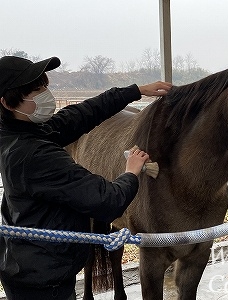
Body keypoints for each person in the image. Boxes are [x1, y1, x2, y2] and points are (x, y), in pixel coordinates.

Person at [0, 55, 172, 300]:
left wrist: (135, 91)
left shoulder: (18, 133)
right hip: (44, 281)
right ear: (8, 103)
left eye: (45, 86)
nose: (45, 94)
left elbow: (80, 114)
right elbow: (106, 200)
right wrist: (131, 171)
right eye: (36, 91)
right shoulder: (35, 155)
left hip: (30, 265)